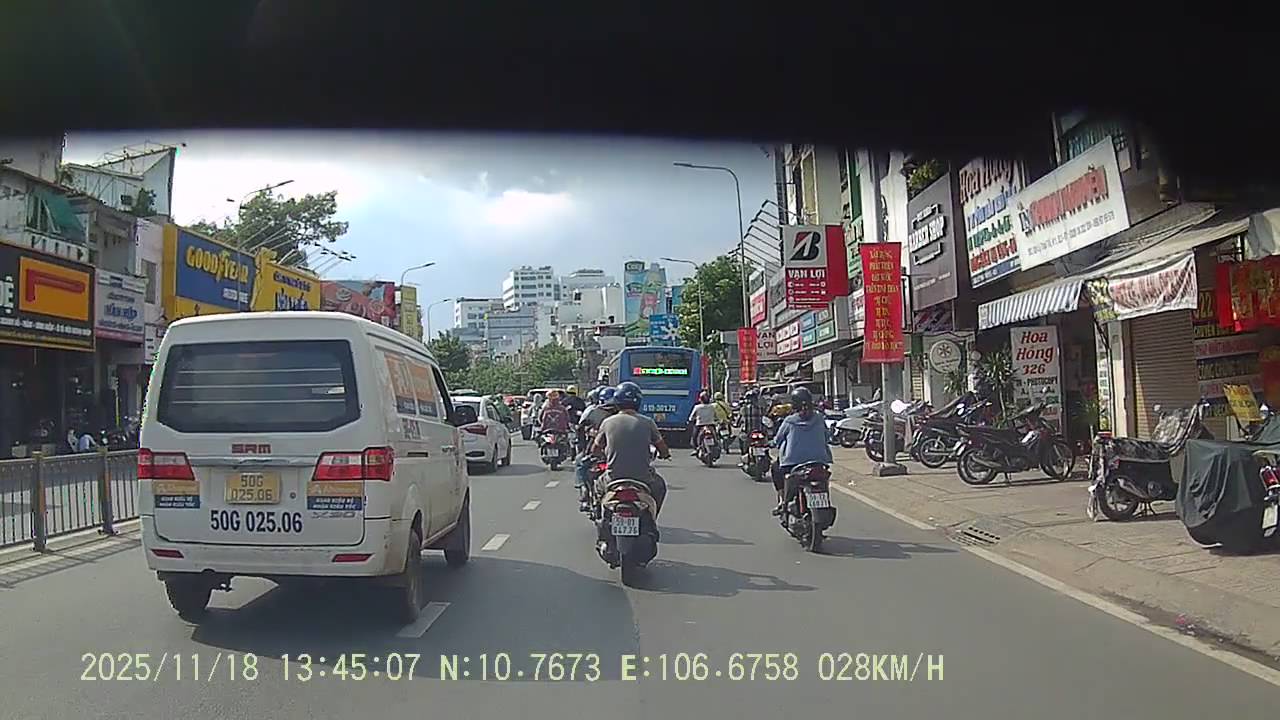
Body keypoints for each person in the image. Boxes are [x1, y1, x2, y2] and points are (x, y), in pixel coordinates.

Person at [591, 381, 670, 519]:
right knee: (660, 486)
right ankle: (652, 517)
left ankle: (600, 515)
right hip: (643, 478)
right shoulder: (648, 422)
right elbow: (662, 448)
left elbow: (595, 449)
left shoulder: (608, 422)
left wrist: (601, 455)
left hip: (613, 478)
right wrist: (665, 454)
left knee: (597, 486)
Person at [769, 386, 833, 516]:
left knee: (775, 468)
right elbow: (827, 437)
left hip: (793, 463)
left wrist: (772, 443)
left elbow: (778, 439)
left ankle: (782, 502)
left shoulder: (789, 421)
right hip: (820, 461)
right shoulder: (819, 418)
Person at [575, 386, 618, 490]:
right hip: (616, 454)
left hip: (599, 453)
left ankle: (583, 488)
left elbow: (581, 428)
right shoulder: (623, 414)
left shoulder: (593, 412)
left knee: (580, 462)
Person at [687, 390, 720, 455]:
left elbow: (691, 417)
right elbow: (716, 416)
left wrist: (690, 420)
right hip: (711, 424)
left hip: (700, 425)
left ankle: (696, 449)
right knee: (716, 436)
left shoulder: (697, 407)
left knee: (694, 437)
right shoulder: (712, 407)